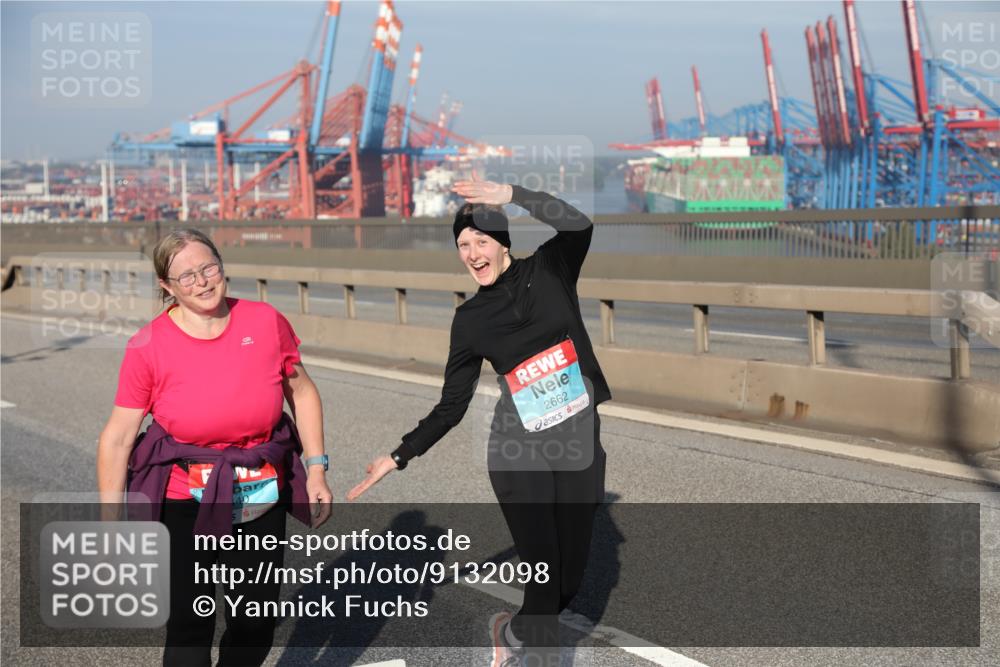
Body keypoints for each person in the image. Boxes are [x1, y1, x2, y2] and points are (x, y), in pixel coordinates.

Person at [348, 176, 610, 665]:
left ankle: (507, 633)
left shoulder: (552, 269)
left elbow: (579, 224)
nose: (471, 253)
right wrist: (400, 454)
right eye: (462, 244)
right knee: (544, 583)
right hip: (518, 452)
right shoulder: (470, 319)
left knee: (570, 583)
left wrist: (513, 195)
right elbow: (453, 404)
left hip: (577, 443)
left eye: (481, 240)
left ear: (503, 243)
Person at [96, 229, 333, 667]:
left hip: (261, 491)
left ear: (222, 266)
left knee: (255, 620)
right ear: (166, 286)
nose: (202, 282)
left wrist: (316, 469)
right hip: (184, 499)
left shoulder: (265, 322)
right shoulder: (148, 345)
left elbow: (302, 393)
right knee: (189, 624)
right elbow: (118, 437)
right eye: (186, 276)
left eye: (209, 268)